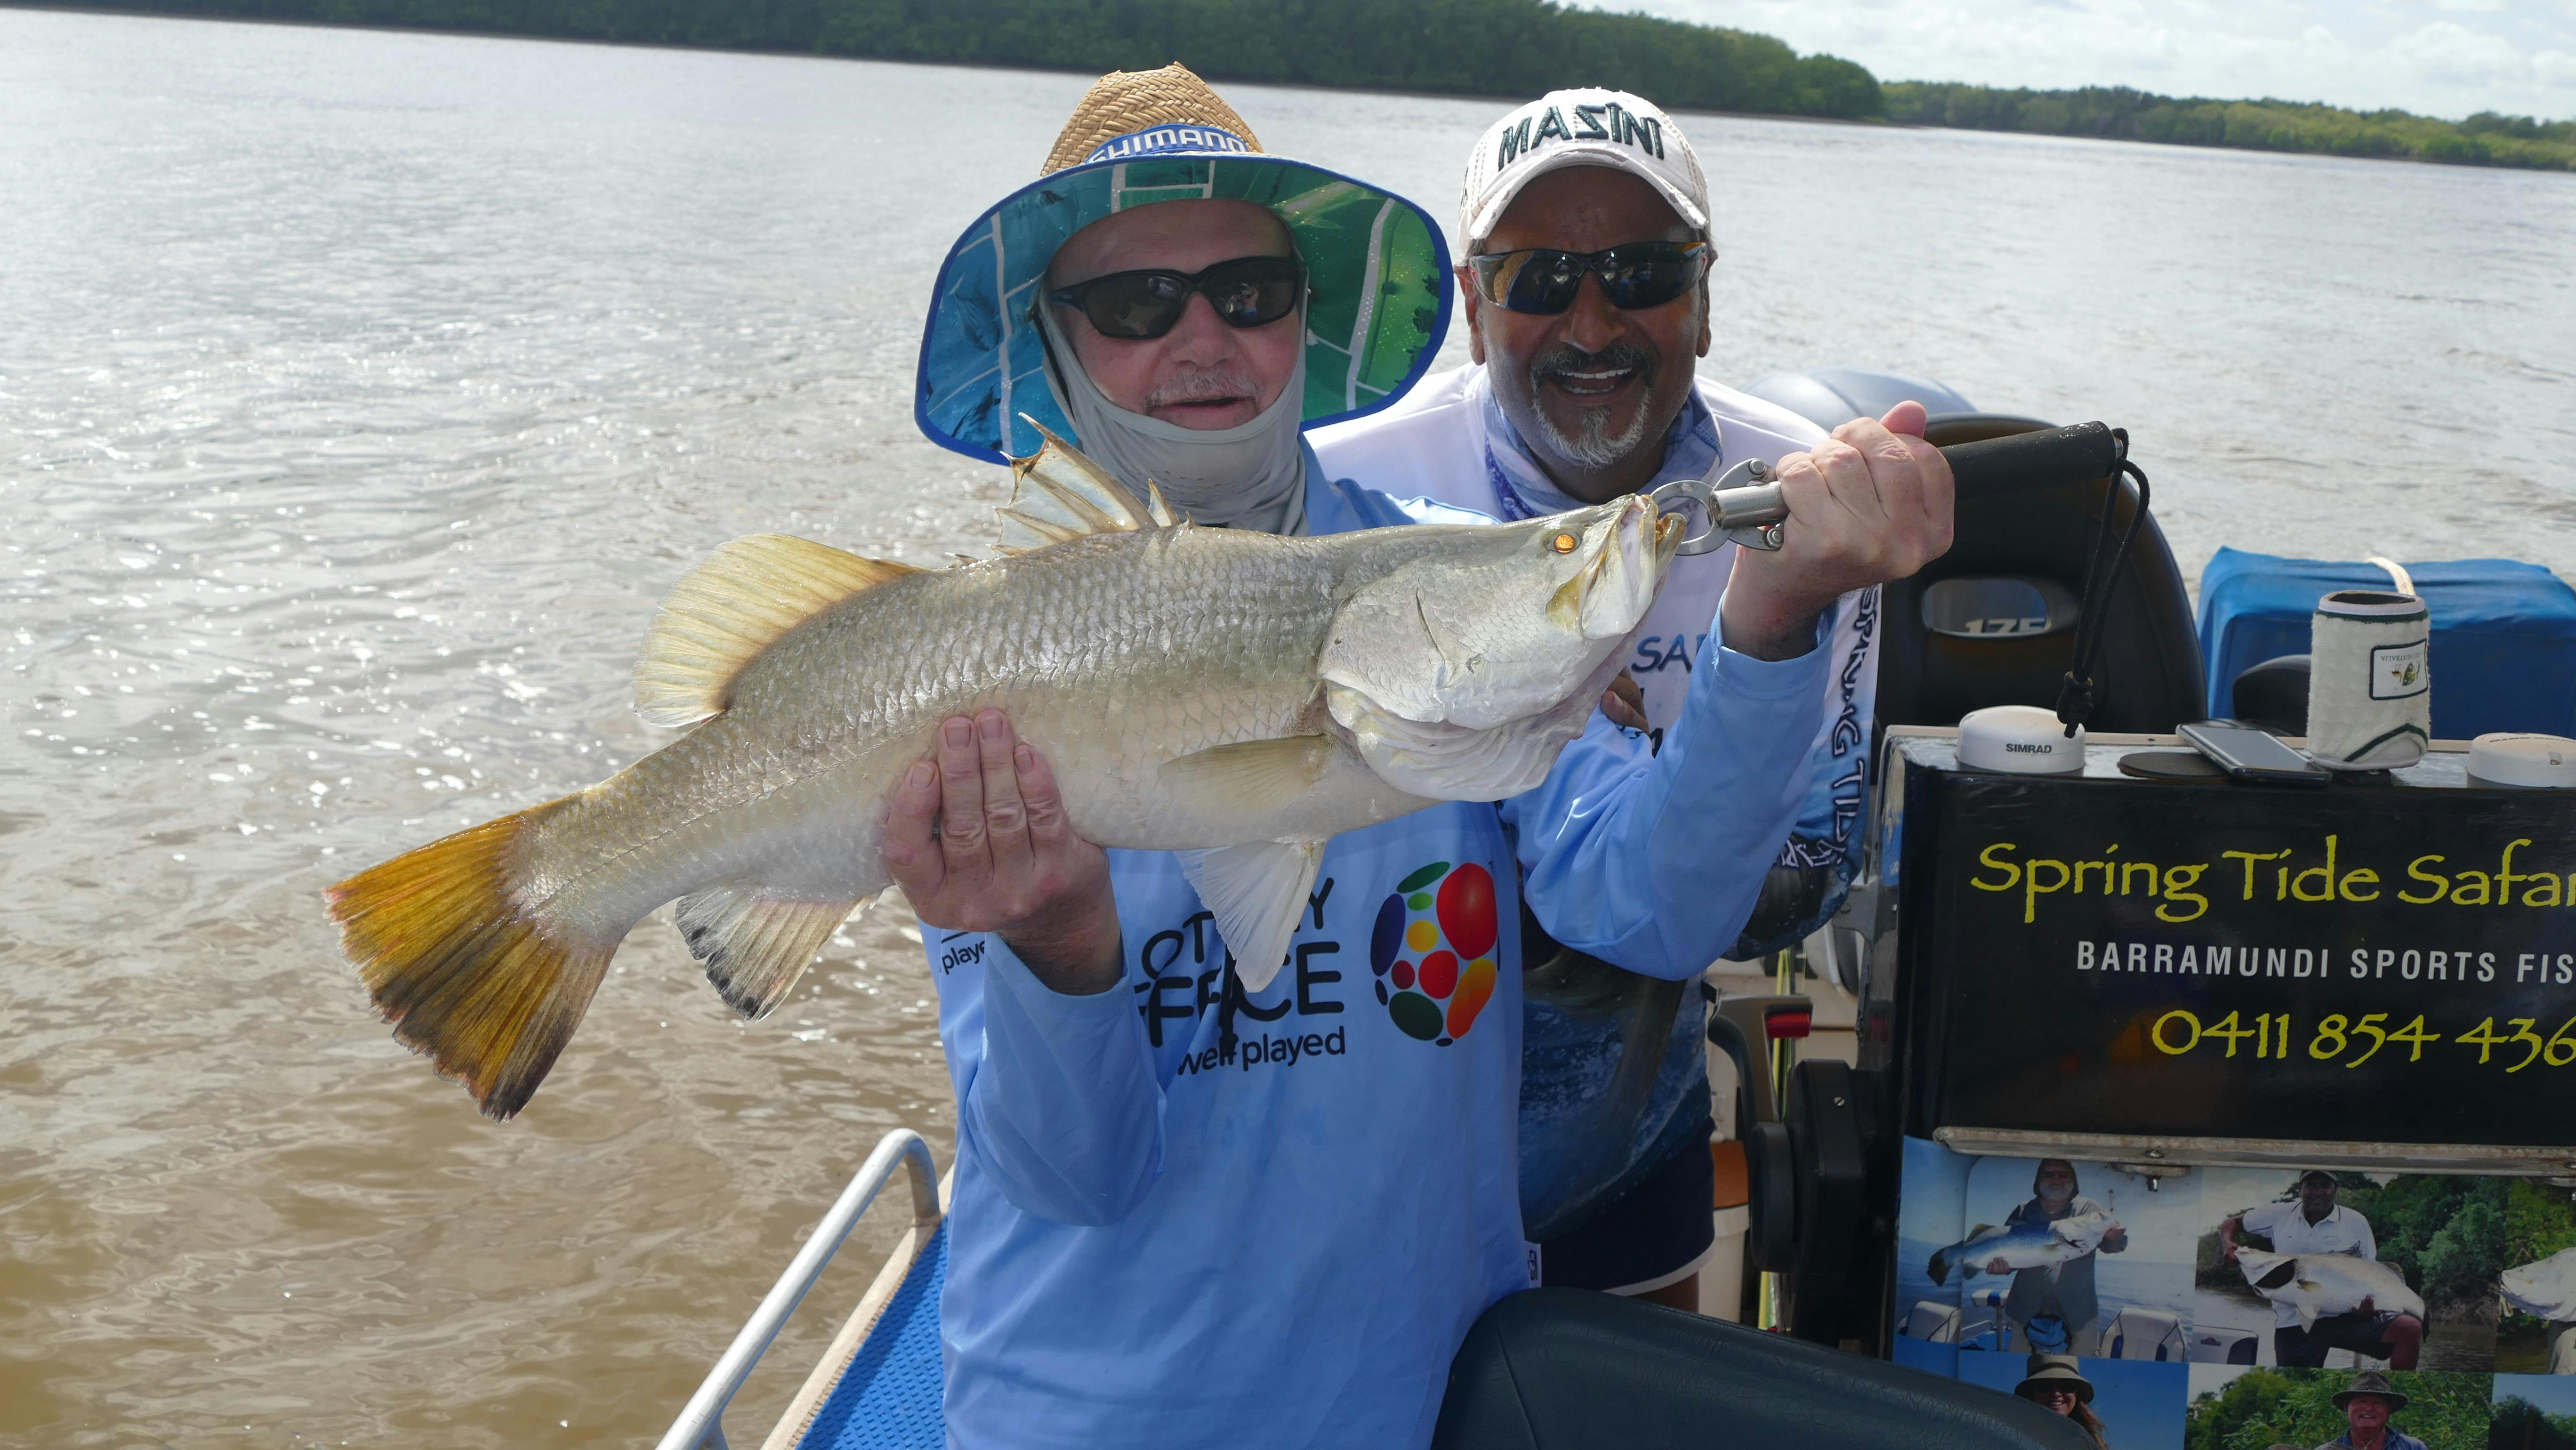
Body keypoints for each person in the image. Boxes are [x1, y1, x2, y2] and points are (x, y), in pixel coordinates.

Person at [902, 66, 1953, 1449]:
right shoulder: (973, 677)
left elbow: (1658, 904)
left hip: (1422, 1396)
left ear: (1302, 320)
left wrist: (1770, 623)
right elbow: (1073, 1176)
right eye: (1136, 305)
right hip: (1088, 1411)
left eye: (1252, 292)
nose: (1204, 338)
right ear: (1054, 342)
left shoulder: (1435, 576)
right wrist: (1057, 943)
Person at [1310, 87, 1888, 1308]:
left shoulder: (1807, 510)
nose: (1591, 320)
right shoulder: (1348, 483)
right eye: (1536, 280)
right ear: (1474, 305)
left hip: (1634, 1139)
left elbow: (1812, 876)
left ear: (1705, 294)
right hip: (1363, 1131)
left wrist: (1641, 786)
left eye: (1639, 270)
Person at [2219, 1171, 2424, 1370]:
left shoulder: (2357, 1222)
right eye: (2311, 1185)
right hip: (2292, 1322)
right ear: (2301, 1188)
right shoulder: (2278, 1214)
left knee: (2409, 1328)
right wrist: (2228, 1244)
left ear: (2336, 1190)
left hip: (2346, 1318)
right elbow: (2231, 1223)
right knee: (2295, 1388)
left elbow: (2370, 1271)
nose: (2317, 1192)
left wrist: (2367, 1309)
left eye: (2325, 1186)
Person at [1992, 1159, 2128, 1354]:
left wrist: (2116, 1237)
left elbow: (2112, 1246)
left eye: (2063, 1174)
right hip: (2026, 1306)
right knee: (2021, 1365)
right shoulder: (2023, 1210)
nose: (2056, 1178)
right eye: (2049, 1174)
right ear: (2039, 1180)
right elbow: (2009, 1254)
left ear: (2073, 1181)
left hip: (2078, 1309)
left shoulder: (2090, 1209)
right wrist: (2001, 1267)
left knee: (2081, 1366)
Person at [2013, 1354, 2109, 1449]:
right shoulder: (2012, 1437)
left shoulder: (2092, 1443)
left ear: (2077, 1394)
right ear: (2031, 1394)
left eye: (2067, 1385)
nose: (2056, 1394)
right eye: (2044, 1386)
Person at [2311, 1371, 2425, 1450]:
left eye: (2378, 1403)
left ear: (2389, 1410)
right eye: (2362, 1402)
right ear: (2347, 1407)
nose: (2369, 1408)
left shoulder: (2414, 1447)